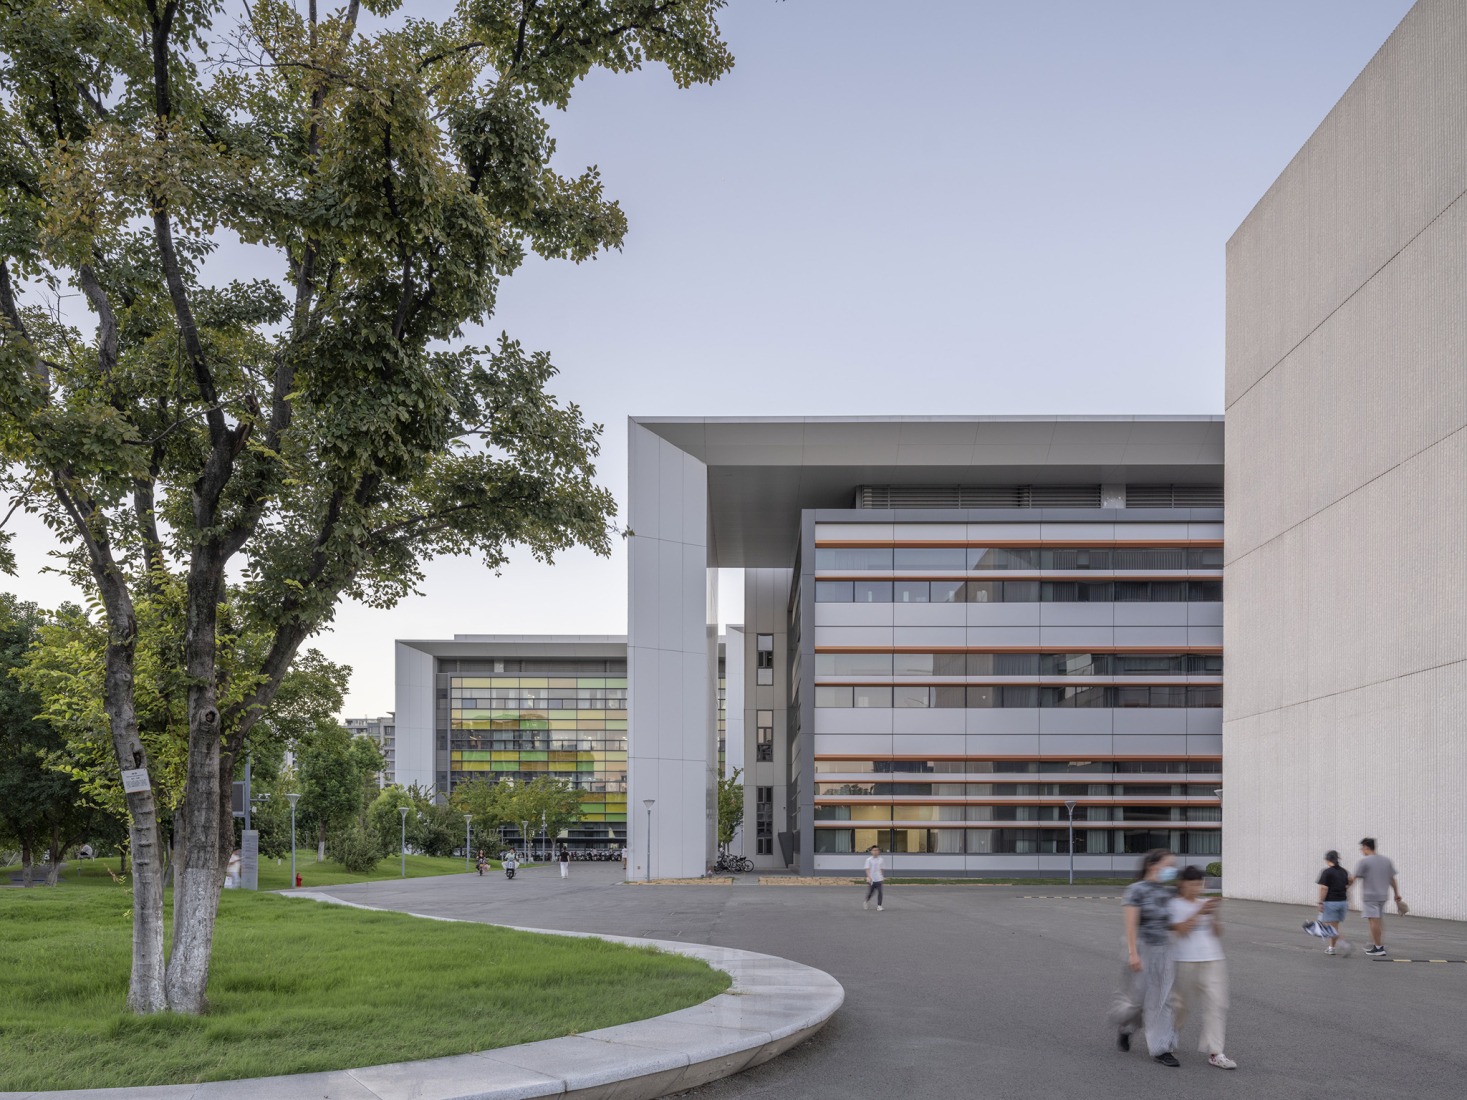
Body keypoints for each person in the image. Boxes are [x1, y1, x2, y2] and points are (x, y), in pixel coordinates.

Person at [1109, 848, 1181, 1067]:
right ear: (1153, 865)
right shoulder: (1136, 890)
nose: (1172, 870)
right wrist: (1133, 953)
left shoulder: (1168, 892)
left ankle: (1161, 1048)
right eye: (1168, 865)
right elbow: (1131, 925)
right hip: (1142, 947)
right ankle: (1126, 1025)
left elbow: (1170, 923)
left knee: (1162, 999)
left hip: (1165, 949)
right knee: (1137, 1001)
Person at [1169, 866, 1236, 1069]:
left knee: (1217, 1004)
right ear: (1182, 884)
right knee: (1181, 1006)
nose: (1197, 887)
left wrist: (1213, 913)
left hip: (1213, 959)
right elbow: (1180, 931)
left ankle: (1216, 1052)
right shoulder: (1173, 905)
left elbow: (1217, 932)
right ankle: (1169, 1035)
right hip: (1185, 961)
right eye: (1193, 883)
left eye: (1200, 883)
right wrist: (1199, 912)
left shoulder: (1204, 903)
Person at [1350, 837, 1403, 956]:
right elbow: (1392, 879)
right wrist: (1396, 893)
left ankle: (1379, 947)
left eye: (1361, 848)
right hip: (1383, 895)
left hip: (1370, 896)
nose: (1361, 850)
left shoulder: (1364, 862)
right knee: (1378, 920)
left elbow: (1354, 878)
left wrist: (1345, 890)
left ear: (1366, 847)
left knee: (1373, 921)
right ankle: (1377, 945)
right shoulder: (1386, 860)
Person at [1316, 850, 1352, 956]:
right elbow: (1347, 886)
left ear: (1328, 860)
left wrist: (1320, 902)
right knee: (1334, 926)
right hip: (1342, 902)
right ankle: (1331, 948)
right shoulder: (1344, 872)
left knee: (1329, 927)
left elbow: (1324, 888)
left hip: (1331, 902)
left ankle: (1344, 943)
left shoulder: (1327, 872)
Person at [863, 845, 885, 911]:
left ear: (879, 851)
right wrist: (869, 877)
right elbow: (867, 869)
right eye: (874, 850)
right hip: (872, 879)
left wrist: (882, 876)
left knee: (880, 892)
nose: (875, 852)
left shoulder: (881, 859)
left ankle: (879, 906)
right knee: (871, 892)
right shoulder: (868, 860)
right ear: (871, 851)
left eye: (877, 850)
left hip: (879, 879)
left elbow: (882, 869)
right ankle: (866, 901)